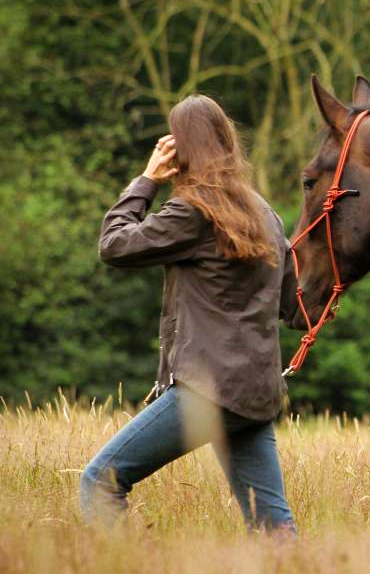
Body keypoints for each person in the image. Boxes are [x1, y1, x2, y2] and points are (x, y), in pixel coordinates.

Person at [81, 94, 297, 534]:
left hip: (207, 390)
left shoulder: (195, 211)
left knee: (99, 482)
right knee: (272, 526)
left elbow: (115, 245)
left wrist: (146, 180)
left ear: (180, 148)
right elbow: (292, 305)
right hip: (254, 391)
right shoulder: (267, 215)